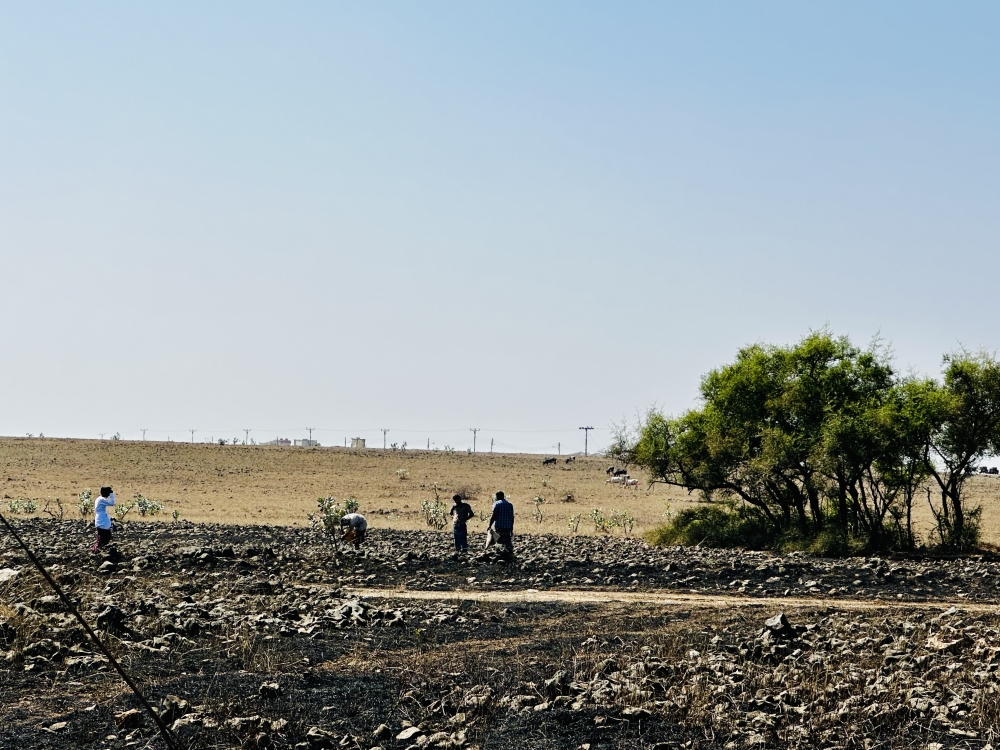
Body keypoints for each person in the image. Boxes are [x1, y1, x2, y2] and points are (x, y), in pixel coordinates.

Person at [488, 491, 514, 560]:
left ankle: (500, 554)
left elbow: (493, 515)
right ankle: (509, 554)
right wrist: (511, 527)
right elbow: (512, 517)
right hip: (508, 526)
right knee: (507, 540)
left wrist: (489, 525)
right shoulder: (510, 504)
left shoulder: (496, 504)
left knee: (499, 540)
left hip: (499, 526)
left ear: (497, 497)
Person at [92, 486, 115, 552]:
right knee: (103, 538)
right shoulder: (101, 499)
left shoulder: (99, 499)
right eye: (108, 493)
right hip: (101, 521)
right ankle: (96, 549)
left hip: (101, 521)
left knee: (105, 537)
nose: (108, 495)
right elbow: (112, 503)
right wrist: (112, 495)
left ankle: (99, 549)